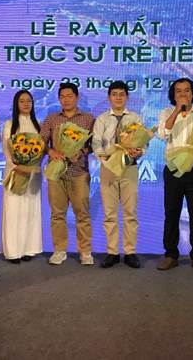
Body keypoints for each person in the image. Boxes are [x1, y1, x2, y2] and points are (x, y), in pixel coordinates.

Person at [156, 78, 193, 273]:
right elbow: (163, 134)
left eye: (187, 90)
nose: (183, 94)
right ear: (173, 95)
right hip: (173, 170)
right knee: (171, 214)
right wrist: (177, 110)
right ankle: (170, 255)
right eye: (178, 91)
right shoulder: (166, 113)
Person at [40, 82, 95, 266]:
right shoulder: (51, 119)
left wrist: (81, 152)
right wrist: (51, 152)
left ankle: (85, 251)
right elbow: (41, 142)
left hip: (79, 172)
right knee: (57, 214)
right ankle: (59, 250)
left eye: (69, 96)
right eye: (62, 96)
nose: (66, 100)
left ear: (77, 98)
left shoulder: (88, 119)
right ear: (58, 99)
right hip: (56, 173)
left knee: (82, 214)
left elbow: (94, 145)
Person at [92, 81, 143, 269]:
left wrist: (139, 151)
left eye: (122, 94)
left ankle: (130, 252)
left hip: (130, 167)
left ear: (127, 97)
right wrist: (104, 157)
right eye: (114, 94)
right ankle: (112, 252)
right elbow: (96, 143)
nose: (118, 97)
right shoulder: (102, 119)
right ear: (109, 98)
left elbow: (143, 142)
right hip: (108, 168)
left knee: (130, 212)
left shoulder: (135, 118)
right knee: (109, 213)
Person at [0, 90, 43, 264]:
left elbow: (41, 149)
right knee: (13, 210)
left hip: (32, 174)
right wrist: (16, 166)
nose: (26, 104)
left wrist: (32, 165)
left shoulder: (38, 125)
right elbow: (6, 149)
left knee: (30, 211)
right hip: (15, 172)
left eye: (29, 101)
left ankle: (29, 249)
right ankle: (12, 251)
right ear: (16, 104)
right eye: (22, 101)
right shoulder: (10, 124)